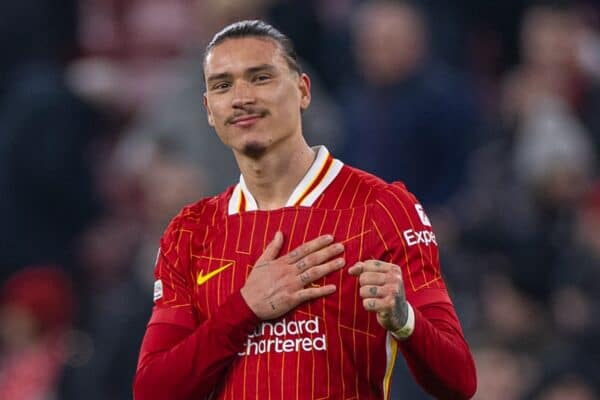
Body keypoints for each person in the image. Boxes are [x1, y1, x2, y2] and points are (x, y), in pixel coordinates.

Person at [133, 20, 476, 399]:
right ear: (209, 110)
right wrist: (245, 307)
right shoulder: (191, 231)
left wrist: (405, 318)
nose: (241, 97)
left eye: (260, 77)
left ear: (303, 90)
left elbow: (459, 380)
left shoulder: (383, 208)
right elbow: (153, 390)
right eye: (223, 85)